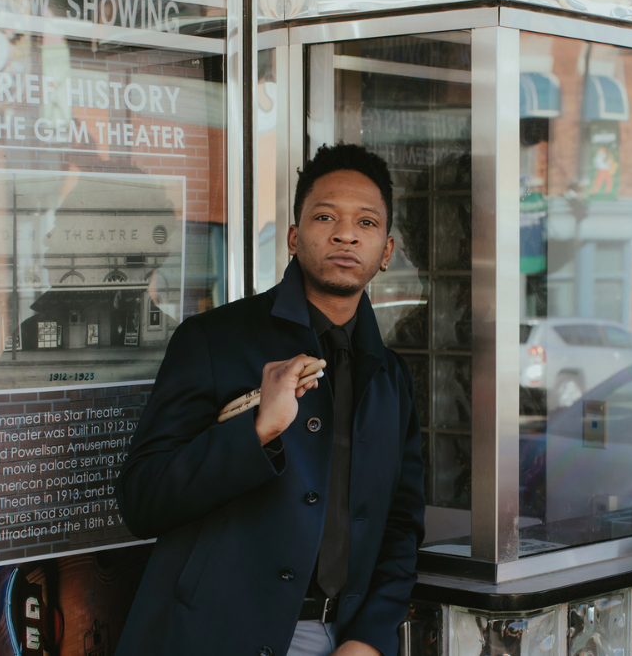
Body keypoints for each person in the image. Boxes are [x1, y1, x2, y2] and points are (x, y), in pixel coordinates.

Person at [114, 143, 425, 656]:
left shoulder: (391, 377)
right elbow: (142, 500)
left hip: (345, 639)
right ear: (294, 237)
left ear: (386, 251)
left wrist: (369, 637)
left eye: (366, 223)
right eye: (325, 216)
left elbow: (401, 525)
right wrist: (257, 429)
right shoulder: (214, 340)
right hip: (216, 637)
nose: (346, 233)